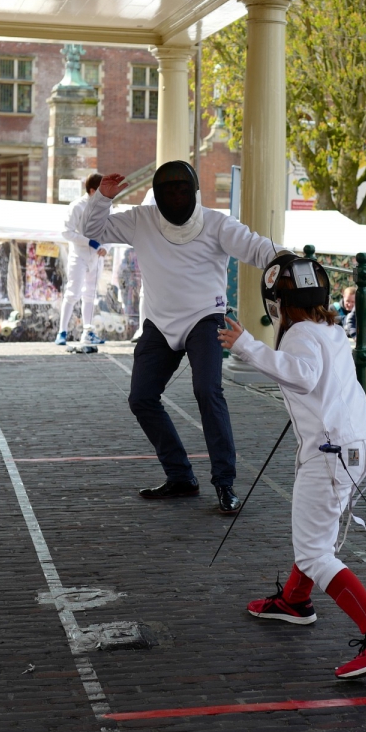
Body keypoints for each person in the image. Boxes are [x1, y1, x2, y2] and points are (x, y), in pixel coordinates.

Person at [218, 253, 366, 679]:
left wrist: (246, 345)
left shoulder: (301, 333)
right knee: (316, 538)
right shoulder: (331, 329)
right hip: (354, 448)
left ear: (278, 302)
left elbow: (304, 375)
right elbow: (321, 383)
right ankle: (294, 601)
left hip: (331, 456)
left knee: (314, 552)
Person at [84, 161, 281, 514]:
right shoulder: (142, 219)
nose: (175, 197)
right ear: (158, 195)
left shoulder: (217, 223)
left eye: (181, 190)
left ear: (194, 193)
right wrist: (103, 198)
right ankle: (180, 476)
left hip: (204, 317)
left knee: (207, 391)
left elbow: (258, 248)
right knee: (141, 398)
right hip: (159, 322)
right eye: (168, 191)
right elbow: (93, 229)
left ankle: (224, 483)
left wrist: (291, 260)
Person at [57, 172, 106, 345]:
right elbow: (66, 231)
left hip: (97, 256)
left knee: (90, 294)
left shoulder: (106, 207)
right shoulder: (77, 206)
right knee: (73, 292)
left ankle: (88, 331)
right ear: (92, 191)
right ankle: (62, 331)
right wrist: (88, 242)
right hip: (79, 255)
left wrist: (105, 247)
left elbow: (111, 229)